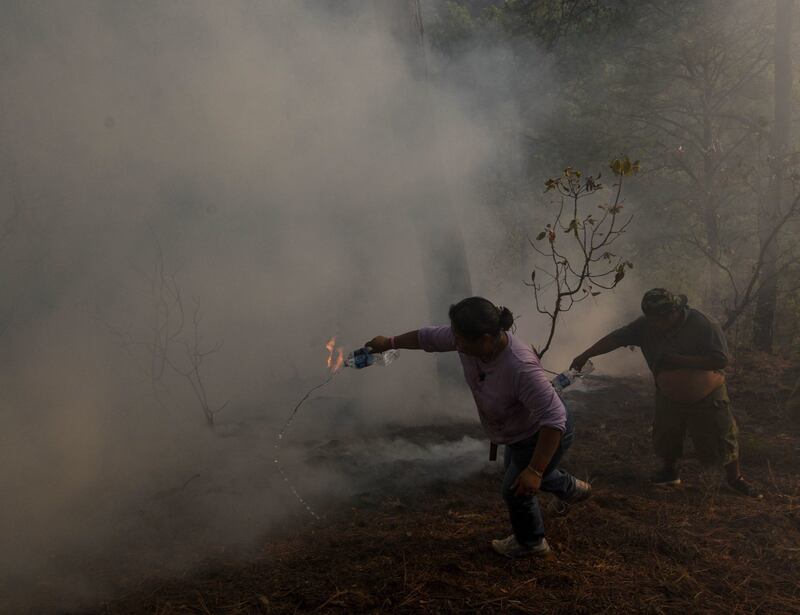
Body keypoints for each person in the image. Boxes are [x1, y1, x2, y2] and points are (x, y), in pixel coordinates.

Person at [365, 296, 591, 559]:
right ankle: (572, 489)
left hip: (542, 435)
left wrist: (535, 470)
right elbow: (426, 338)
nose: (455, 343)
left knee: (516, 488)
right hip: (519, 433)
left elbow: (554, 419)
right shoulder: (469, 339)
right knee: (520, 474)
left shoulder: (520, 367)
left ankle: (531, 544)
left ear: (484, 339)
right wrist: (389, 343)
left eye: (459, 339)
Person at [570, 288, 761, 498]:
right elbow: (616, 338)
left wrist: (680, 360)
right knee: (666, 436)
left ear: (675, 310)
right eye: (653, 318)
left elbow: (720, 360)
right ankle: (669, 472)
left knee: (721, 436)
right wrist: (584, 355)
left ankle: (735, 479)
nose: (658, 323)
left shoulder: (703, 324)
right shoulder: (645, 325)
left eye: (663, 317)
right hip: (668, 396)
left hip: (707, 395)